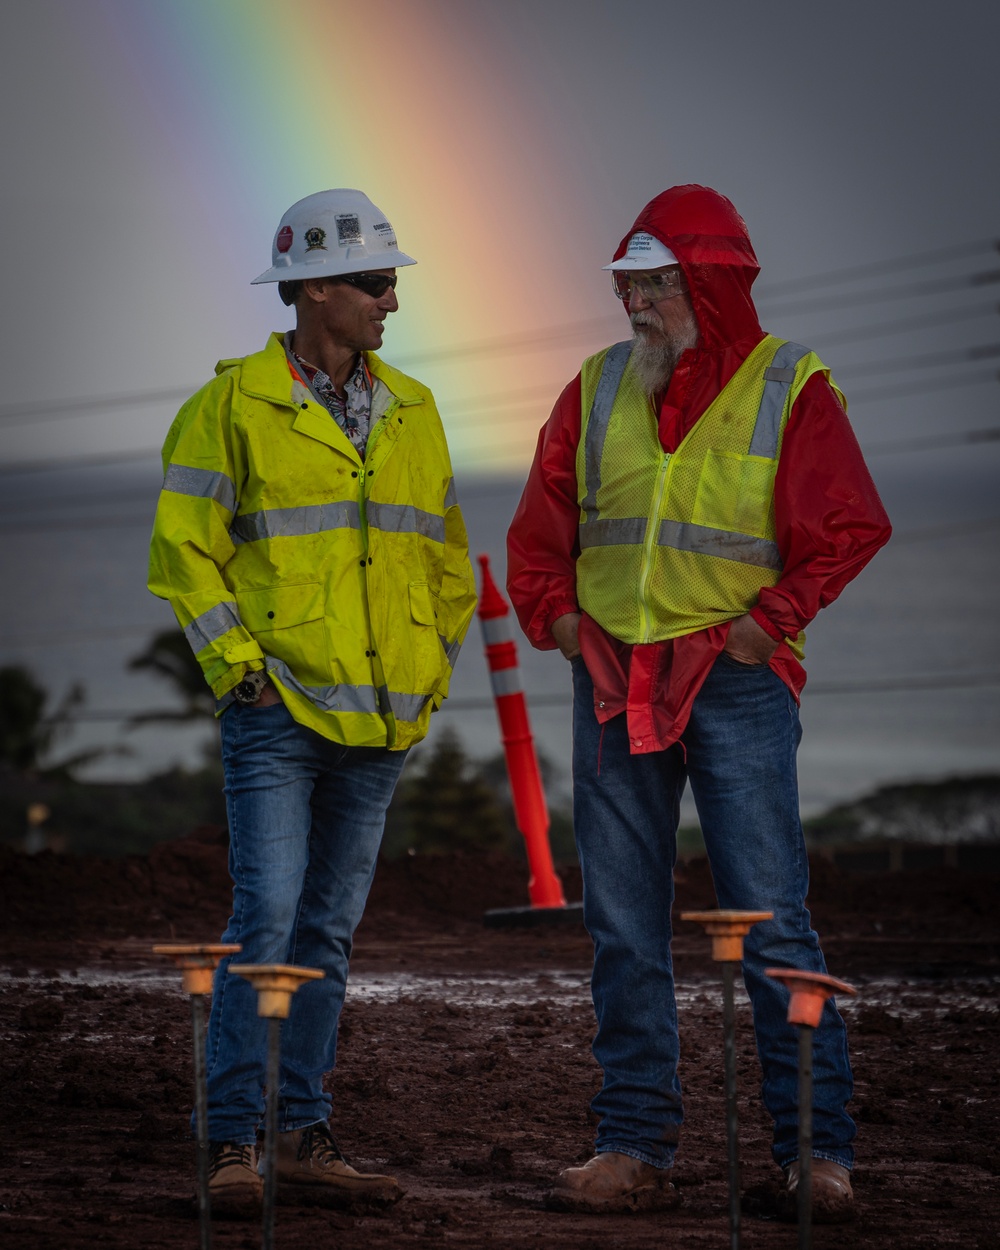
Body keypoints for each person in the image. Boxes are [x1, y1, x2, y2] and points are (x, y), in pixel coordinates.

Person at [506, 185, 890, 1220]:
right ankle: (633, 1143)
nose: (634, 301)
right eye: (626, 282)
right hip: (612, 678)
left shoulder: (788, 384)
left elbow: (849, 524)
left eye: (655, 281)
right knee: (623, 923)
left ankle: (815, 1150)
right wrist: (559, 624)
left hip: (734, 681)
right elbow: (538, 534)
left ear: (709, 284)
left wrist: (769, 622)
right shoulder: (593, 388)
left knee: (773, 923)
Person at [148, 189, 477, 1214]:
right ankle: (232, 1138)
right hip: (277, 716)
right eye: (376, 282)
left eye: (391, 281)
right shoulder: (228, 404)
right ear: (316, 289)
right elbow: (182, 551)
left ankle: (299, 1129)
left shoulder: (415, 409)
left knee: (326, 930)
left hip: (380, 723)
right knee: (270, 917)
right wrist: (238, 668)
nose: (392, 299)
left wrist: (429, 675)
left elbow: (447, 562)